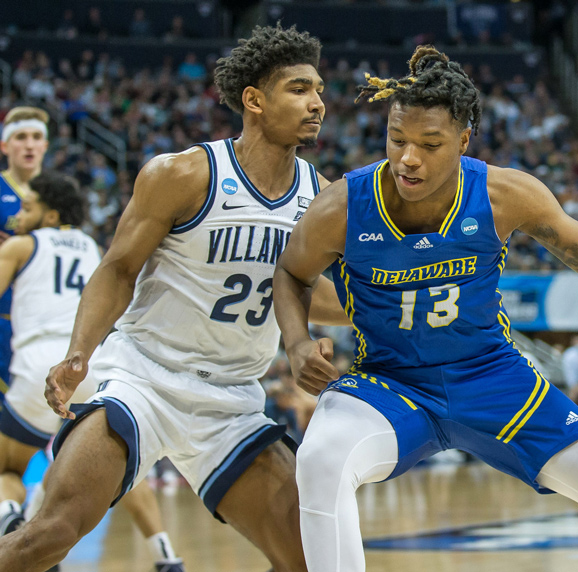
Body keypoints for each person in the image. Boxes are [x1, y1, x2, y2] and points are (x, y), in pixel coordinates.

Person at [273, 45, 578, 572]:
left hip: (493, 378)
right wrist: (295, 343)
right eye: (397, 139)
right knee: (319, 459)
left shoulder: (504, 195)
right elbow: (291, 274)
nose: (409, 157)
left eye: (430, 144)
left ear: (463, 140)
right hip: (389, 384)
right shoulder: (343, 205)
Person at [0, 24, 345, 572]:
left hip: (232, 400)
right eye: (300, 89)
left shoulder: (321, 195)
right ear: (253, 100)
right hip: (146, 380)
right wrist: (79, 353)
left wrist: (373, 309)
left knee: (309, 557)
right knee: (49, 534)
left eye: (319, 90)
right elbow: (117, 270)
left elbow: (309, 291)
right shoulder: (183, 174)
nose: (318, 103)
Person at [0, 172, 185, 572]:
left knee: (8, 466)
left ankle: (10, 517)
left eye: (28, 209)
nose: (19, 217)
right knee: (117, 468)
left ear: (49, 215)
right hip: (88, 360)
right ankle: (166, 556)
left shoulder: (21, 244)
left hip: (39, 367)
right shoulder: (91, 247)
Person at [0, 106, 50, 405]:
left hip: (43, 320)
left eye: (36, 137)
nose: (29, 144)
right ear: (5, 145)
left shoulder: (58, 194)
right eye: (20, 137)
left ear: (45, 145)